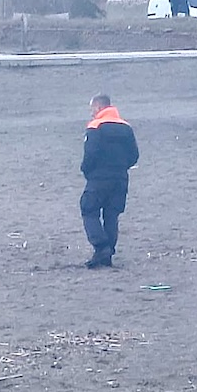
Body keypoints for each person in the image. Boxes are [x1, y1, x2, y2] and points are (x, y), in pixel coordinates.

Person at [80, 94, 140, 269]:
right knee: (111, 214)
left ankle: (101, 246)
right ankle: (108, 253)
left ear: (99, 107)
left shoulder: (95, 127)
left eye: (92, 109)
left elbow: (90, 154)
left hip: (99, 177)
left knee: (88, 208)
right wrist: (121, 167)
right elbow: (134, 155)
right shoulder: (126, 127)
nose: (92, 113)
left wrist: (86, 170)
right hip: (120, 178)